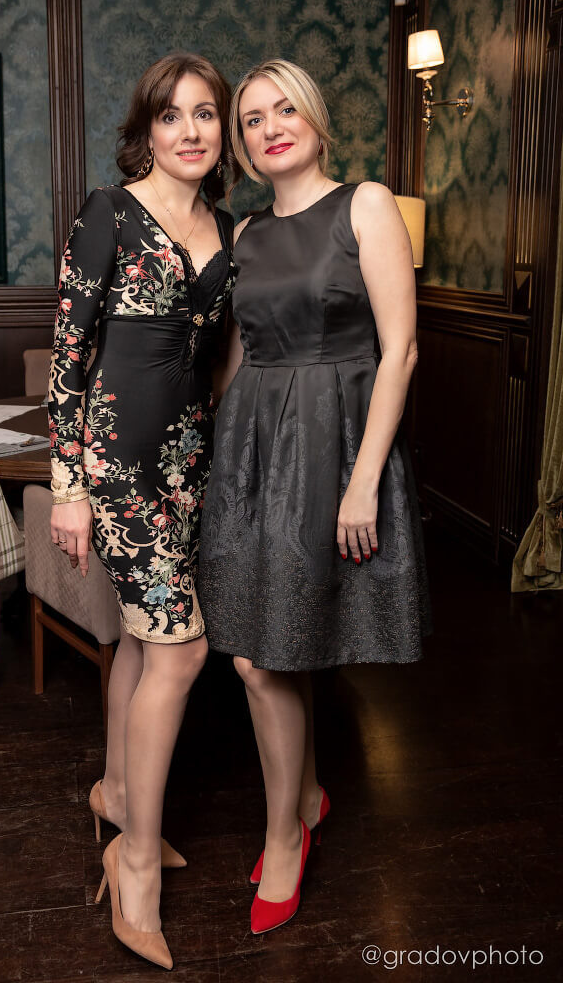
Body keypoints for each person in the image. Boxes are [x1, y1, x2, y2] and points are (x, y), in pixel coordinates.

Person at [198, 59, 431, 935]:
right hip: (253, 451)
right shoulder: (246, 233)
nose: (269, 128)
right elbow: (239, 356)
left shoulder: (365, 204)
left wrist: (363, 480)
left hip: (333, 448)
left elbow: (401, 350)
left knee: (270, 657)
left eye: (283, 109)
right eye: (251, 119)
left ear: (316, 118)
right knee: (259, 650)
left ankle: (286, 836)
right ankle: (306, 798)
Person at [48, 52, 237, 970]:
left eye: (206, 113)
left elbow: (220, 354)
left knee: (139, 638)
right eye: (172, 115)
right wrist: (70, 486)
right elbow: (68, 357)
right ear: (147, 130)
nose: (190, 131)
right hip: (119, 466)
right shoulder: (109, 212)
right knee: (183, 650)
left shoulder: (227, 226)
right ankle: (134, 866)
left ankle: (119, 795)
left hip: (190, 464)